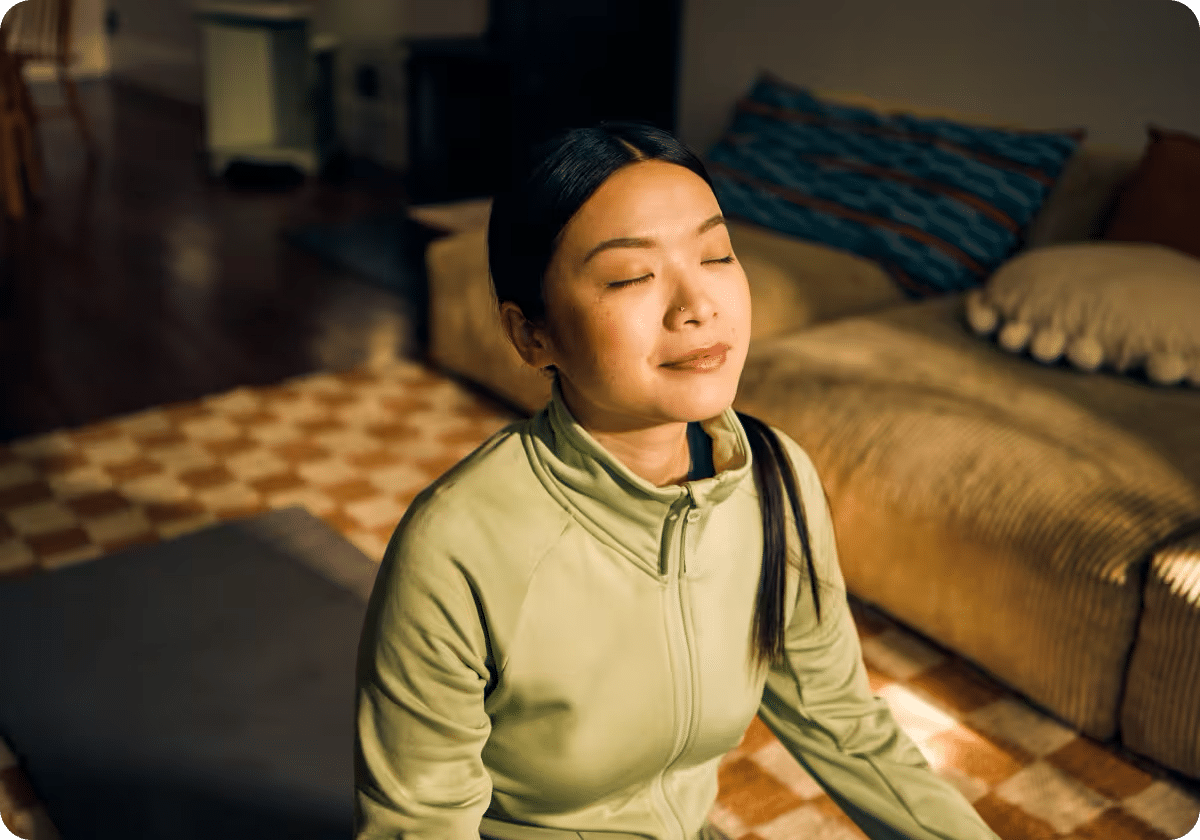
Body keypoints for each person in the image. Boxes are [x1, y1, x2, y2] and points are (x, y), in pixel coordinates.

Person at [353, 121, 1001, 840]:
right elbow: (418, 826)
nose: (697, 306)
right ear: (531, 334)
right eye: (632, 276)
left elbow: (844, 724)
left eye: (717, 255)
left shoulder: (776, 480)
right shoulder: (455, 547)